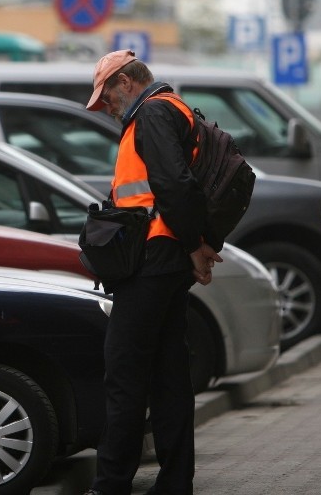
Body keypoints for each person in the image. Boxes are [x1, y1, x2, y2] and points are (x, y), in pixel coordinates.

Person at [82, 50, 222, 495]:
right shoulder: (170, 109)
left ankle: (111, 485)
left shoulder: (154, 114)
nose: (105, 106)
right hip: (163, 259)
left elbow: (174, 186)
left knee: (124, 375)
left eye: (106, 96)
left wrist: (194, 245)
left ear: (126, 81)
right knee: (168, 377)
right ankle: (175, 482)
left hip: (152, 261)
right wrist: (193, 246)